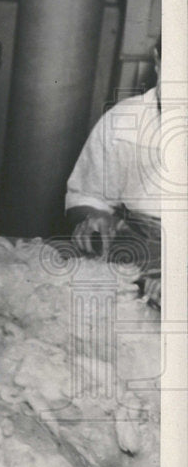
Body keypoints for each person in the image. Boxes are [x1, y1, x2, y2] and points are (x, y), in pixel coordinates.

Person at [66, 38, 163, 304]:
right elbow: (85, 197)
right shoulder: (122, 122)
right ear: (157, 61)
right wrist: (95, 216)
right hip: (132, 260)